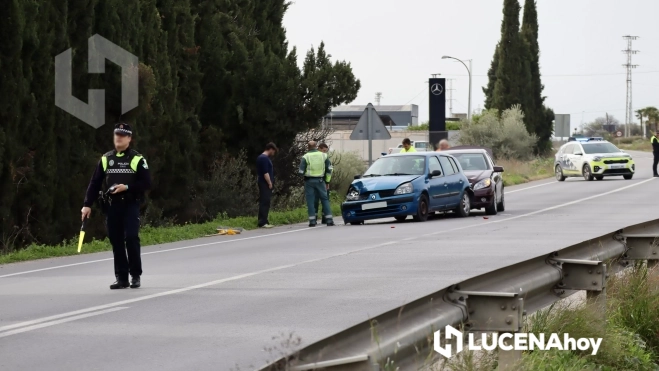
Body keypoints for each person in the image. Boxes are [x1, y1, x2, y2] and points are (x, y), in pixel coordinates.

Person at [81, 123, 152, 290]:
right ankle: (121, 277)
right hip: (112, 206)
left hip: (130, 204)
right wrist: (87, 205)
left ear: (129, 139)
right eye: (116, 135)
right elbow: (95, 183)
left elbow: (146, 183)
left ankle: (135, 275)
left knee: (131, 237)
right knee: (116, 240)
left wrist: (126, 187)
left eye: (122, 135)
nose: (118, 138)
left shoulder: (137, 159)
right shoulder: (106, 159)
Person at [299, 141, 334, 227]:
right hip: (320, 181)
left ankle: (312, 221)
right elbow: (329, 170)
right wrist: (327, 181)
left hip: (309, 181)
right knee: (324, 199)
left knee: (310, 201)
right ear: (316, 146)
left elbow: (301, 171)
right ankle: (329, 220)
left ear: (308, 147)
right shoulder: (324, 156)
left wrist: (304, 176)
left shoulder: (306, 156)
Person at [257, 142, 278, 228]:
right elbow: (265, 172)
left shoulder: (261, 157)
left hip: (263, 182)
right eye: (273, 151)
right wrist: (269, 183)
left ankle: (263, 220)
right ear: (271, 149)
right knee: (265, 201)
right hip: (265, 182)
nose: (273, 153)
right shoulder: (264, 158)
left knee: (265, 201)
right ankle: (262, 222)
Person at [314, 143, 331, 223]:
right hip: (322, 181)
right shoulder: (324, 158)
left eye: (326, 151)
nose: (325, 153)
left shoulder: (314, 156)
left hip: (317, 181)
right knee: (322, 200)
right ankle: (323, 218)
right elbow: (329, 171)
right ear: (319, 148)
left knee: (318, 200)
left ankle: (321, 218)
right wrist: (327, 182)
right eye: (324, 151)